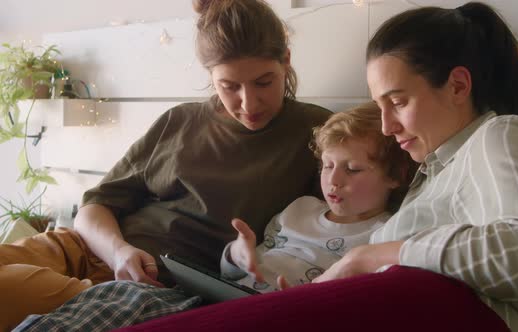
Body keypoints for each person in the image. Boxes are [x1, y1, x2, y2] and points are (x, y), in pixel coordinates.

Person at [113, 3, 518, 332]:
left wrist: (370, 256)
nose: (387, 126)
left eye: (398, 102)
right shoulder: (437, 173)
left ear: (457, 86)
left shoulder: (498, 136)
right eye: (379, 106)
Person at [0, 0, 332, 329]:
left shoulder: (317, 133)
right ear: (210, 76)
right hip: (86, 247)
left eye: (263, 82)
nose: (248, 103)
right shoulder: (180, 120)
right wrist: (118, 252)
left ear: (286, 61)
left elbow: (352, 225)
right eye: (229, 86)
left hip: (148, 290)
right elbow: (94, 207)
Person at [221, 103, 415, 292]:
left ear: (395, 175)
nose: (334, 180)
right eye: (328, 166)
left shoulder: (386, 234)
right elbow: (230, 275)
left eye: (352, 169)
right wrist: (235, 256)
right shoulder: (300, 208)